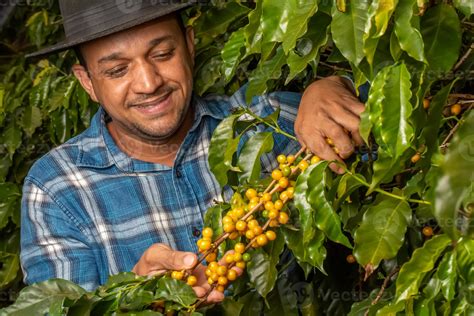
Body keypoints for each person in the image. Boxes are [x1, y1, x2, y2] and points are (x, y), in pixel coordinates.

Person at [21, 0, 365, 303]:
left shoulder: (262, 123)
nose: (148, 83)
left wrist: (338, 87)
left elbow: (396, 120)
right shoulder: (57, 189)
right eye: (117, 70)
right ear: (87, 82)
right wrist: (132, 301)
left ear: (189, 44)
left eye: (162, 54)